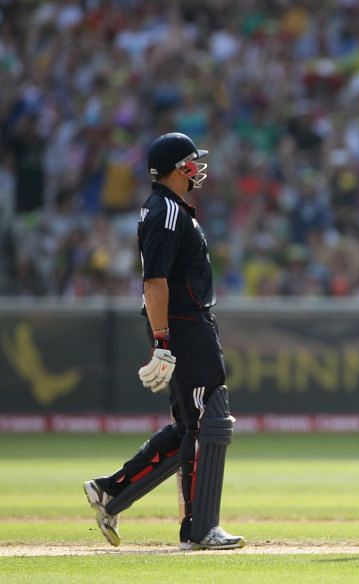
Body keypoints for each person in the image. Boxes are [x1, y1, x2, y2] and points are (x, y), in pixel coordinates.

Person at [83, 132, 245, 550]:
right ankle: (199, 528)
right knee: (208, 417)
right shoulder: (166, 211)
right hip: (183, 323)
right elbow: (154, 282)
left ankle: (111, 491)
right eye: (192, 161)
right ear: (178, 168)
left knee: (191, 424)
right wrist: (163, 341)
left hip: (185, 322)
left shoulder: (168, 209)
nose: (199, 167)